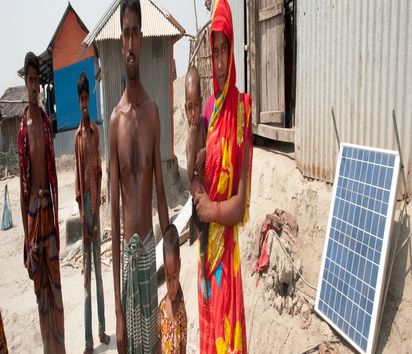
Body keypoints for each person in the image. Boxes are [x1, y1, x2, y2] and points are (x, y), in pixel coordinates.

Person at [109, 0, 169, 352]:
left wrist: (172, 261)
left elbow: (160, 191)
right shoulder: (115, 122)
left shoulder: (153, 113)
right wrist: (117, 311)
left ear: (142, 40)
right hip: (130, 269)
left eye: (135, 33)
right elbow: (116, 218)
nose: (130, 43)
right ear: (120, 42)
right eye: (125, 34)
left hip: (150, 256)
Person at [194, 0, 253, 352]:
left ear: (232, 52)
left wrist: (210, 209)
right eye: (213, 51)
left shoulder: (242, 111)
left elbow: (239, 206)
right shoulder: (206, 110)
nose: (217, 60)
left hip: (226, 259)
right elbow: (197, 180)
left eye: (223, 50)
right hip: (205, 256)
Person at [17, 51, 66, 353]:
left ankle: (59, 347)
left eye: (37, 81)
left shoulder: (46, 123)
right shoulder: (23, 127)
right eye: (31, 81)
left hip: (47, 208)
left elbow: (53, 177)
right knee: (40, 288)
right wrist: (25, 234)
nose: (34, 86)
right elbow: (24, 188)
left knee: (56, 286)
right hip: (34, 215)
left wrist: (56, 223)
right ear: (26, 83)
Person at [74, 72, 110, 354]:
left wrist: (97, 218)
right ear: (78, 101)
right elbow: (77, 182)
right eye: (82, 99)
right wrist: (85, 223)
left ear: (91, 98)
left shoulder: (96, 132)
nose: (85, 103)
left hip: (95, 205)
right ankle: (87, 342)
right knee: (86, 277)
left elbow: (98, 175)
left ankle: (101, 331)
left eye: (87, 98)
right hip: (84, 206)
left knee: (99, 274)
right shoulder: (77, 137)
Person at [184, 66, 209, 302]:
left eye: (196, 105)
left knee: (209, 234)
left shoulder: (207, 124)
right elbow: (190, 172)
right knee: (202, 233)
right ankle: (201, 273)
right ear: (185, 109)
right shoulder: (190, 136)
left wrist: (206, 150)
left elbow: (213, 148)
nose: (193, 113)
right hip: (198, 195)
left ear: (201, 103)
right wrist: (193, 141)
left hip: (210, 189)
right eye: (189, 108)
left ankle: (208, 268)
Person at [157, 224, 187, 353]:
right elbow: (159, 345)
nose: (171, 286)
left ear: (179, 267)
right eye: (168, 279)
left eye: (174, 277)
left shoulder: (181, 311)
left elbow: (183, 347)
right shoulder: (161, 308)